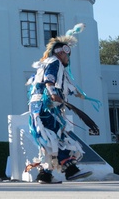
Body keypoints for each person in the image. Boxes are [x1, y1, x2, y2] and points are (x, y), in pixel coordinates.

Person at [26, 24, 92, 184]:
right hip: (45, 107)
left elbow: (58, 83)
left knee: (48, 142)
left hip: (39, 107)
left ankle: (45, 174)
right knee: (57, 137)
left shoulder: (51, 64)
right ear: (60, 51)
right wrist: (53, 93)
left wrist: (73, 93)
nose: (68, 57)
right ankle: (70, 170)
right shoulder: (54, 62)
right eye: (67, 53)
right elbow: (49, 80)